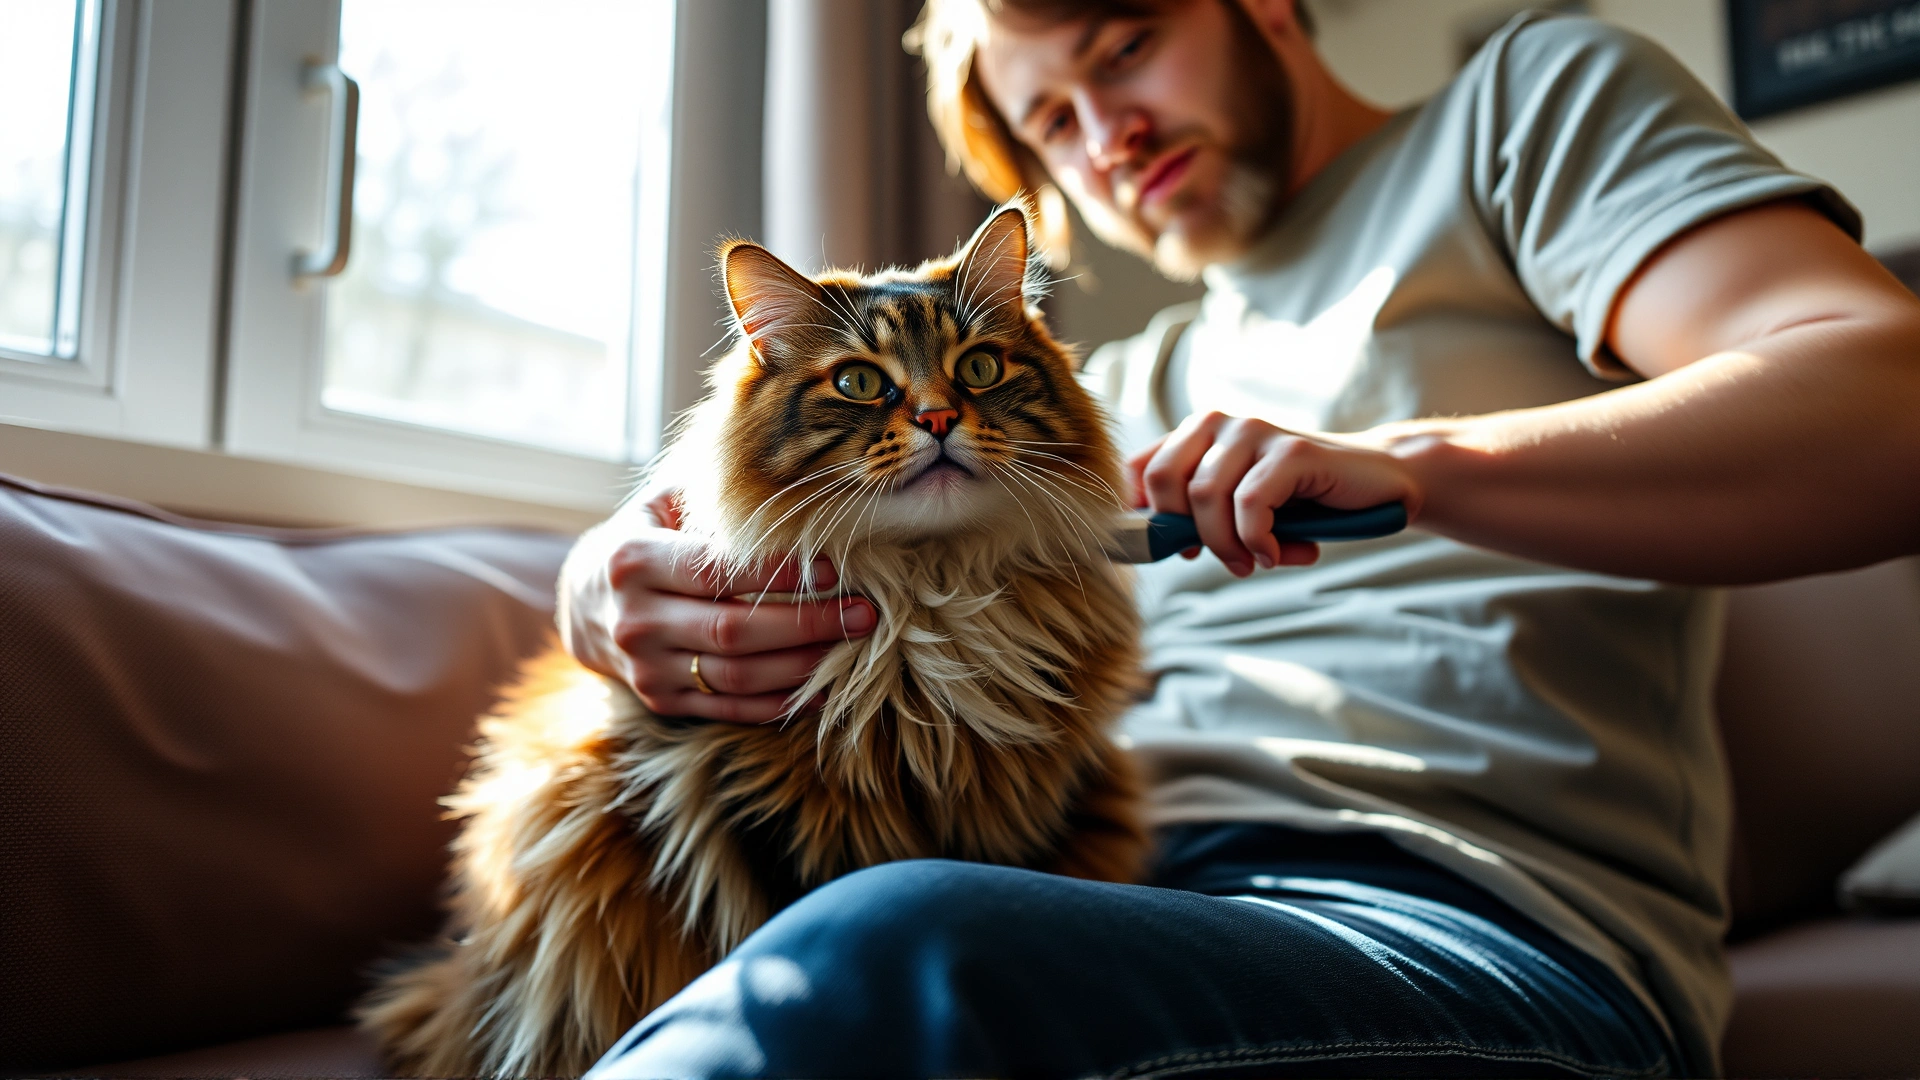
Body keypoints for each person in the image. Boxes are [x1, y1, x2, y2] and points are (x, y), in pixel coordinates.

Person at [578, 1, 1920, 1076]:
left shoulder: (1524, 109)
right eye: (1051, 119)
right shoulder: (1104, 392)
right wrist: (601, 587)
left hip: (1464, 930)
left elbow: (1885, 404)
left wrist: (1415, 464)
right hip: (1119, 892)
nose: (1104, 130)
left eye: (1127, 42)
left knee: (886, 955)